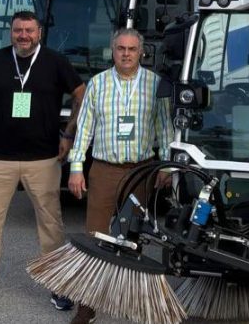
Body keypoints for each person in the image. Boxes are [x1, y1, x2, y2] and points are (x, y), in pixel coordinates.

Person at [0, 10, 85, 314]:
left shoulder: (55, 62)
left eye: (29, 30)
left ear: (39, 32)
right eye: (17, 30)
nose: (23, 36)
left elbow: (82, 94)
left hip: (43, 158)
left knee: (51, 225)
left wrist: (68, 136)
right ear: (11, 33)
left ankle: (59, 286)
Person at [66, 28, 173, 324]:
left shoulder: (156, 85)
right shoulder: (98, 84)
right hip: (104, 170)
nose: (126, 54)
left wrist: (166, 166)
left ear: (141, 52)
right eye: (120, 49)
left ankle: (132, 301)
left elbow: (165, 129)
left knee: (134, 239)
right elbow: (84, 129)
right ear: (112, 51)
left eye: (131, 49)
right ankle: (87, 305)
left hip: (141, 172)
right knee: (95, 236)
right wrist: (76, 168)